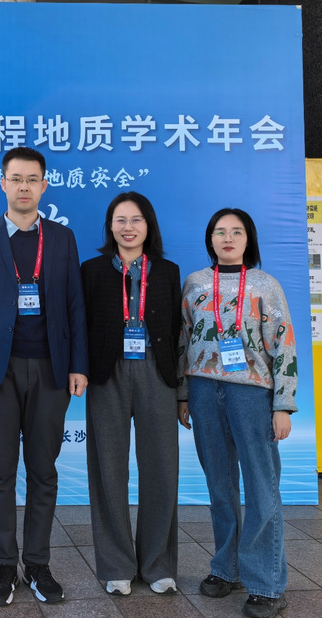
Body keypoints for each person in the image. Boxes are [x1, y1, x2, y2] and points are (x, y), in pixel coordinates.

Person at [0, 146, 88, 606]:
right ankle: (4, 567)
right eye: (16, 179)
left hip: (51, 370)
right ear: (3, 184)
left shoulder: (62, 238)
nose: (24, 187)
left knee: (43, 471)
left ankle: (38, 564)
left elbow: (75, 303)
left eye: (32, 179)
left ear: (44, 185)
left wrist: (78, 364)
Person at [177, 208, 296, 618]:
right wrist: (182, 395)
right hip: (203, 390)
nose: (227, 238)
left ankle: (267, 584)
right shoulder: (195, 283)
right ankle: (226, 569)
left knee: (262, 488)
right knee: (220, 485)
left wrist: (283, 405)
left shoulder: (266, 285)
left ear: (249, 239)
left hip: (252, 394)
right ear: (210, 238)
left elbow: (283, 344)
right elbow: (183, 339)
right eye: (219, 231)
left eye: (237, 231)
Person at [81, 192, 181, 597]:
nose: (128, 227)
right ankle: (117, 565)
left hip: (157, 372)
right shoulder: (91, 271)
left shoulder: (168, 271)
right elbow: (81, 325)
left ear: (148, 225)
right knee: (108, 469)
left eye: (136, 219)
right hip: (108, 373)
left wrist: (182, 389)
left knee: (161, 468)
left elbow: (177, 330)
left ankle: (158, 565)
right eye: (120, 220)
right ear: (110, 226)